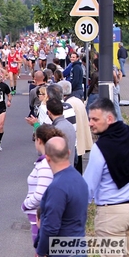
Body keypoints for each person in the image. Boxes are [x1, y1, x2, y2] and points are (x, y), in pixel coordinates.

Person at [84, 98, 129, 256]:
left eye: (95, 119)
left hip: (111, 214)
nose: (90, 123)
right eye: (90, 119)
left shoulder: (100, 148)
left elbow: (88, 186)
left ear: (109, 119)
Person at [36, 137, 88, 257]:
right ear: (69, 153)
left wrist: (40, 251)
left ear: (47, 158)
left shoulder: (57, 187)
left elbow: (51, 227)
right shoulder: (79, 179)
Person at [21, 124, 63, 247]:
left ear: (39, 140)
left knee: (40, 249)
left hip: (39, 216)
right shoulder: (51, 160)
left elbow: (40, 194)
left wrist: (26, 205)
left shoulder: (45, 164)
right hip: (42, 215)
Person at [58, 80, 92, 174]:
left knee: (75, 167)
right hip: (81, 138)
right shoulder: (77, 100)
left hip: (75, 140)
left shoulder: (68, 105)